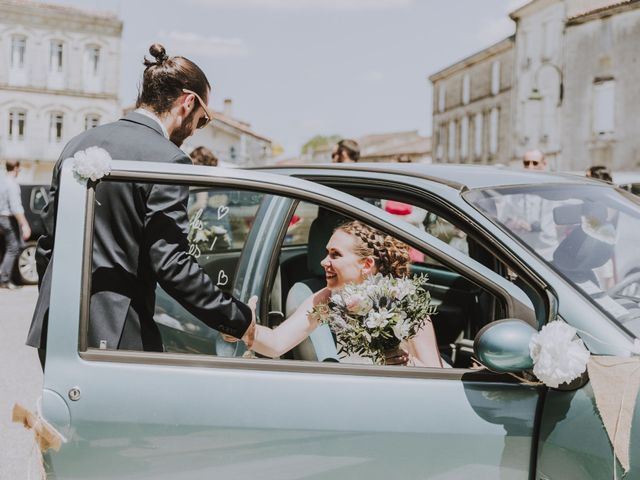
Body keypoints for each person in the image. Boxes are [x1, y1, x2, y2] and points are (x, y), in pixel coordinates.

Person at [27, 44, 256, 367]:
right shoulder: (169, 159)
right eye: (201, 121)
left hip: (54, 326)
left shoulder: (77, 143)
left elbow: (47, 246)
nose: (195, 130)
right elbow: (170, 262)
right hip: (117, 333)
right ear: (188, 103)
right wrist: (237, 318)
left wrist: (55, 304)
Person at [232, 221, 443, 367]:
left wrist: (404, 362)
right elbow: (277, 343)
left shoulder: (404, 300)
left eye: (335, 255)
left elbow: (436, 374)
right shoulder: (326, 299)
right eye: (326, 253)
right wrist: (241, 326)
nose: (324, 262)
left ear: (366, 264)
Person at [499, 149, 558, 260]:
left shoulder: (555, 190)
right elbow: (503, 219)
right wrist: (516, 223)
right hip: (523, 252)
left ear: (544, 164)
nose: (530, 167)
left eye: (535, 163)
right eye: (527, 163)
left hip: (549, 252)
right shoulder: (515, 192)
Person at [0, 161, 31, 289]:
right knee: (13, 247)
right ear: (16, 168)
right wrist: (25, 224)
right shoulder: (12, 184)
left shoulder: (2, 180)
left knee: (5, 246)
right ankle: (4, 279)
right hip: (8, 218)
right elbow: (15, 207)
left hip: (1, 217)